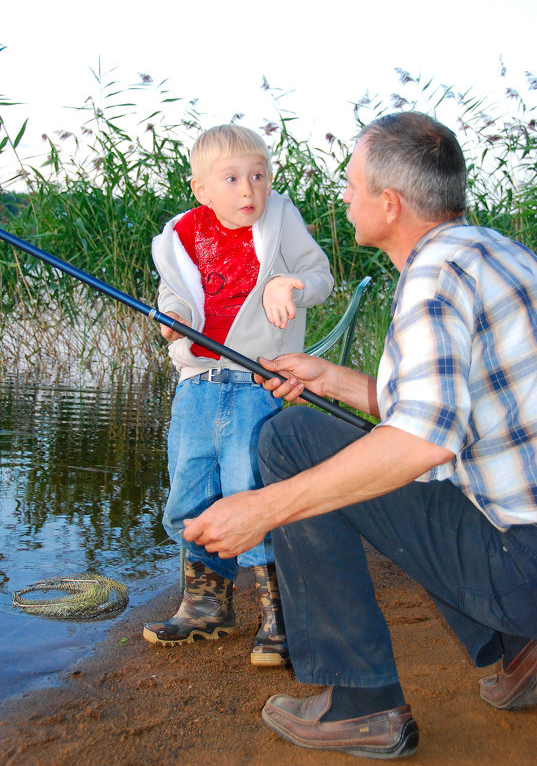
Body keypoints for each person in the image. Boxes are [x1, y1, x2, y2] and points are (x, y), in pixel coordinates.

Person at [182, 111, 537, 758]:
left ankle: (360, 701)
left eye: (350, 184)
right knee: (337, 439)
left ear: (389, 203)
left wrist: (263, 506)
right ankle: (522, 648)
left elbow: (420, 441)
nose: (342, 197)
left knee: (288, 441)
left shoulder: (431, 277)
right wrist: (333, 378)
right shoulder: (496, 252)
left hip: (521, 567)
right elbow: (461, 406)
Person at [144, 124, 333, 667]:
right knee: (192, 491)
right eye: (232, 178)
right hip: (196, 384)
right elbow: (174, 293)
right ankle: (207, 606)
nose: (249, 189)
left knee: (251, 490)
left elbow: (319, 275)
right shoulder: (180, 233)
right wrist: (175, 319)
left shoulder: (280, 217)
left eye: (258, 174)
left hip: (256, 382)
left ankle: (281, 615)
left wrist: (288, 285)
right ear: (202, 188)